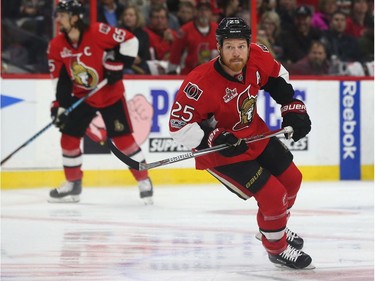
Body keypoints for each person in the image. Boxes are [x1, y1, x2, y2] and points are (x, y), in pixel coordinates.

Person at [168, 17, 313, 269]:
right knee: (273, 194)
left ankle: (272, 229)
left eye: (241, 46)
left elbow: (276, 78)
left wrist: (292, 108)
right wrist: (215, 137)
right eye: (229, 47)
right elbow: (178, 126)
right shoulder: (198, 83)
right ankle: (276, 247)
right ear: (219, 48)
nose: (236, 53)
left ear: (249, 45)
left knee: (292, 180)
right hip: (221, 151)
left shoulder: (258, 56)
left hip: (253, 134)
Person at [47, 0, 153, 204]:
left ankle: (144, 179)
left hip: (109, 94)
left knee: (124, 141)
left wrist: (118, 65)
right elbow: (60, 80)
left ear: (75, 17)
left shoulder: (97, 32)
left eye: (62, 14)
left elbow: (130, 41)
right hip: (81, 95)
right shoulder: (57, 46)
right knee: (68, 138)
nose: (58, 18)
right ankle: (73, 183)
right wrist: (60, 105)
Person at [167, 0, 218, 75]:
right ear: (195, 12)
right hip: (188, 74)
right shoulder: (184, 31)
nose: (203, 13)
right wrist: (171, 71)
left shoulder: (217, 29)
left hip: (211, 74)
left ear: (211, 13)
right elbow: (175, 53)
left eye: (206, 10)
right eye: (200, 10)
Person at [119, 4, 151, 74]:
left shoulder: (143, 35)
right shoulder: (119, 33)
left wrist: (140, 60)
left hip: (139, 65)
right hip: (123, 66)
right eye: (125, 15)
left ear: (137, 17)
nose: (127, 17)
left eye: (131, 15)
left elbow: (146, 55)